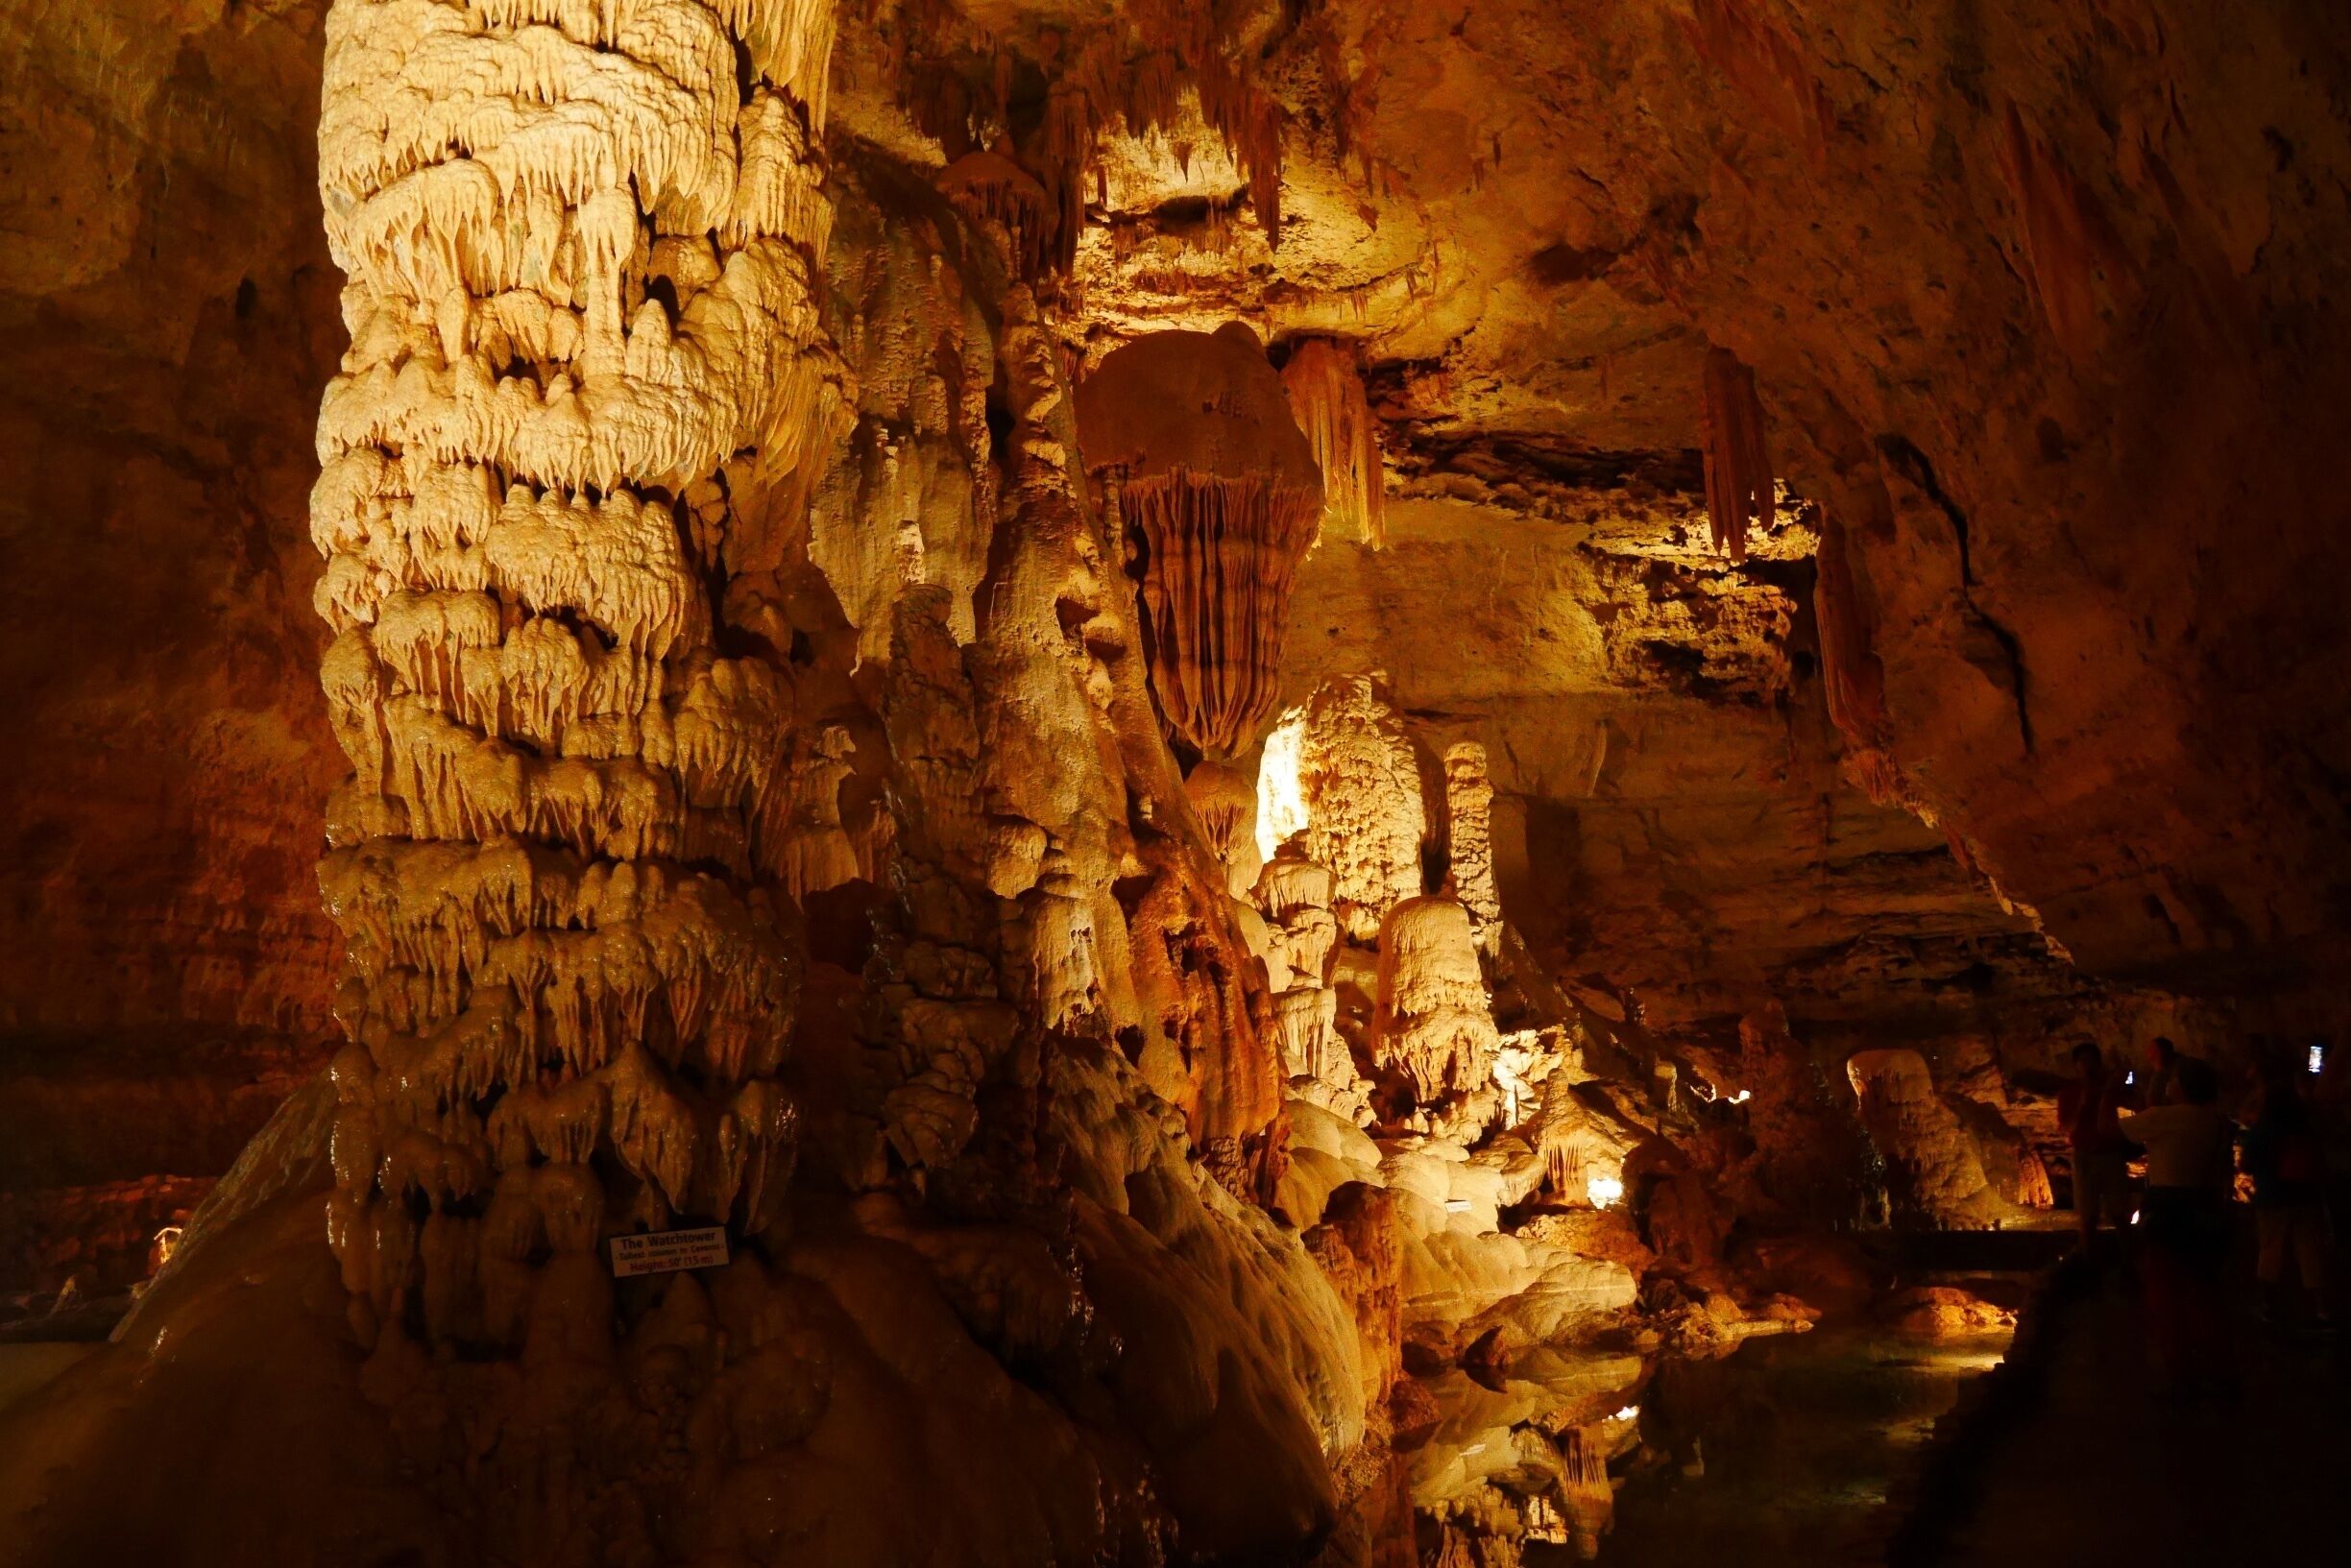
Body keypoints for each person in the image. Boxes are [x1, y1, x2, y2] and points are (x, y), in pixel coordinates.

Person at [2119, 1056, 2236, 1389]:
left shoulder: (2164, 1117)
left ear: (2182, 1086)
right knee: (2204, 1292)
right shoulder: (2216, 1121)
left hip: (2168, 1210)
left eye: (2174, 1079)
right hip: (2205, 1208)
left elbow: (2112, 1131)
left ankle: (2178, 1371)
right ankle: (2219, 1370)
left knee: (2165, 1292)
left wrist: (2110, 1092)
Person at [2242, 1051, 2333, 1330]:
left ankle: (2269, 1306)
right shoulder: (2306, 1126)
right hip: (2306, 1194)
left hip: (2273, 1195)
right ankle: (2322, 1309)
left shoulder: (2263, 1129)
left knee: (2270, 1250)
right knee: (2310, 1252)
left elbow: (2247, 1163)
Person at [2058, 1043, 2132, 1259]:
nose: (2088, 1065)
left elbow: (2130, 1097)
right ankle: (2087, 1260)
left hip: (2111, 1155)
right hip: (2085, 1157)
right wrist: (2082, 1104)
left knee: (2120, 1214)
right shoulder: (2068, 1092)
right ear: (2076, 1065)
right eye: (2084, 1061)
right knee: (2088, 1216)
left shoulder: (2107, 1088)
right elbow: (2067, 1127)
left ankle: (2130, 1261)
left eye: (2092, 1060)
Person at [2143, 1035, 2182, 1107]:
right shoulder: (2168, 1070)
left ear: (2159, 1051)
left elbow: (2152, 1105)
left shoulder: (2160, 1078)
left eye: (2151, 1047)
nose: (2147, 1049)